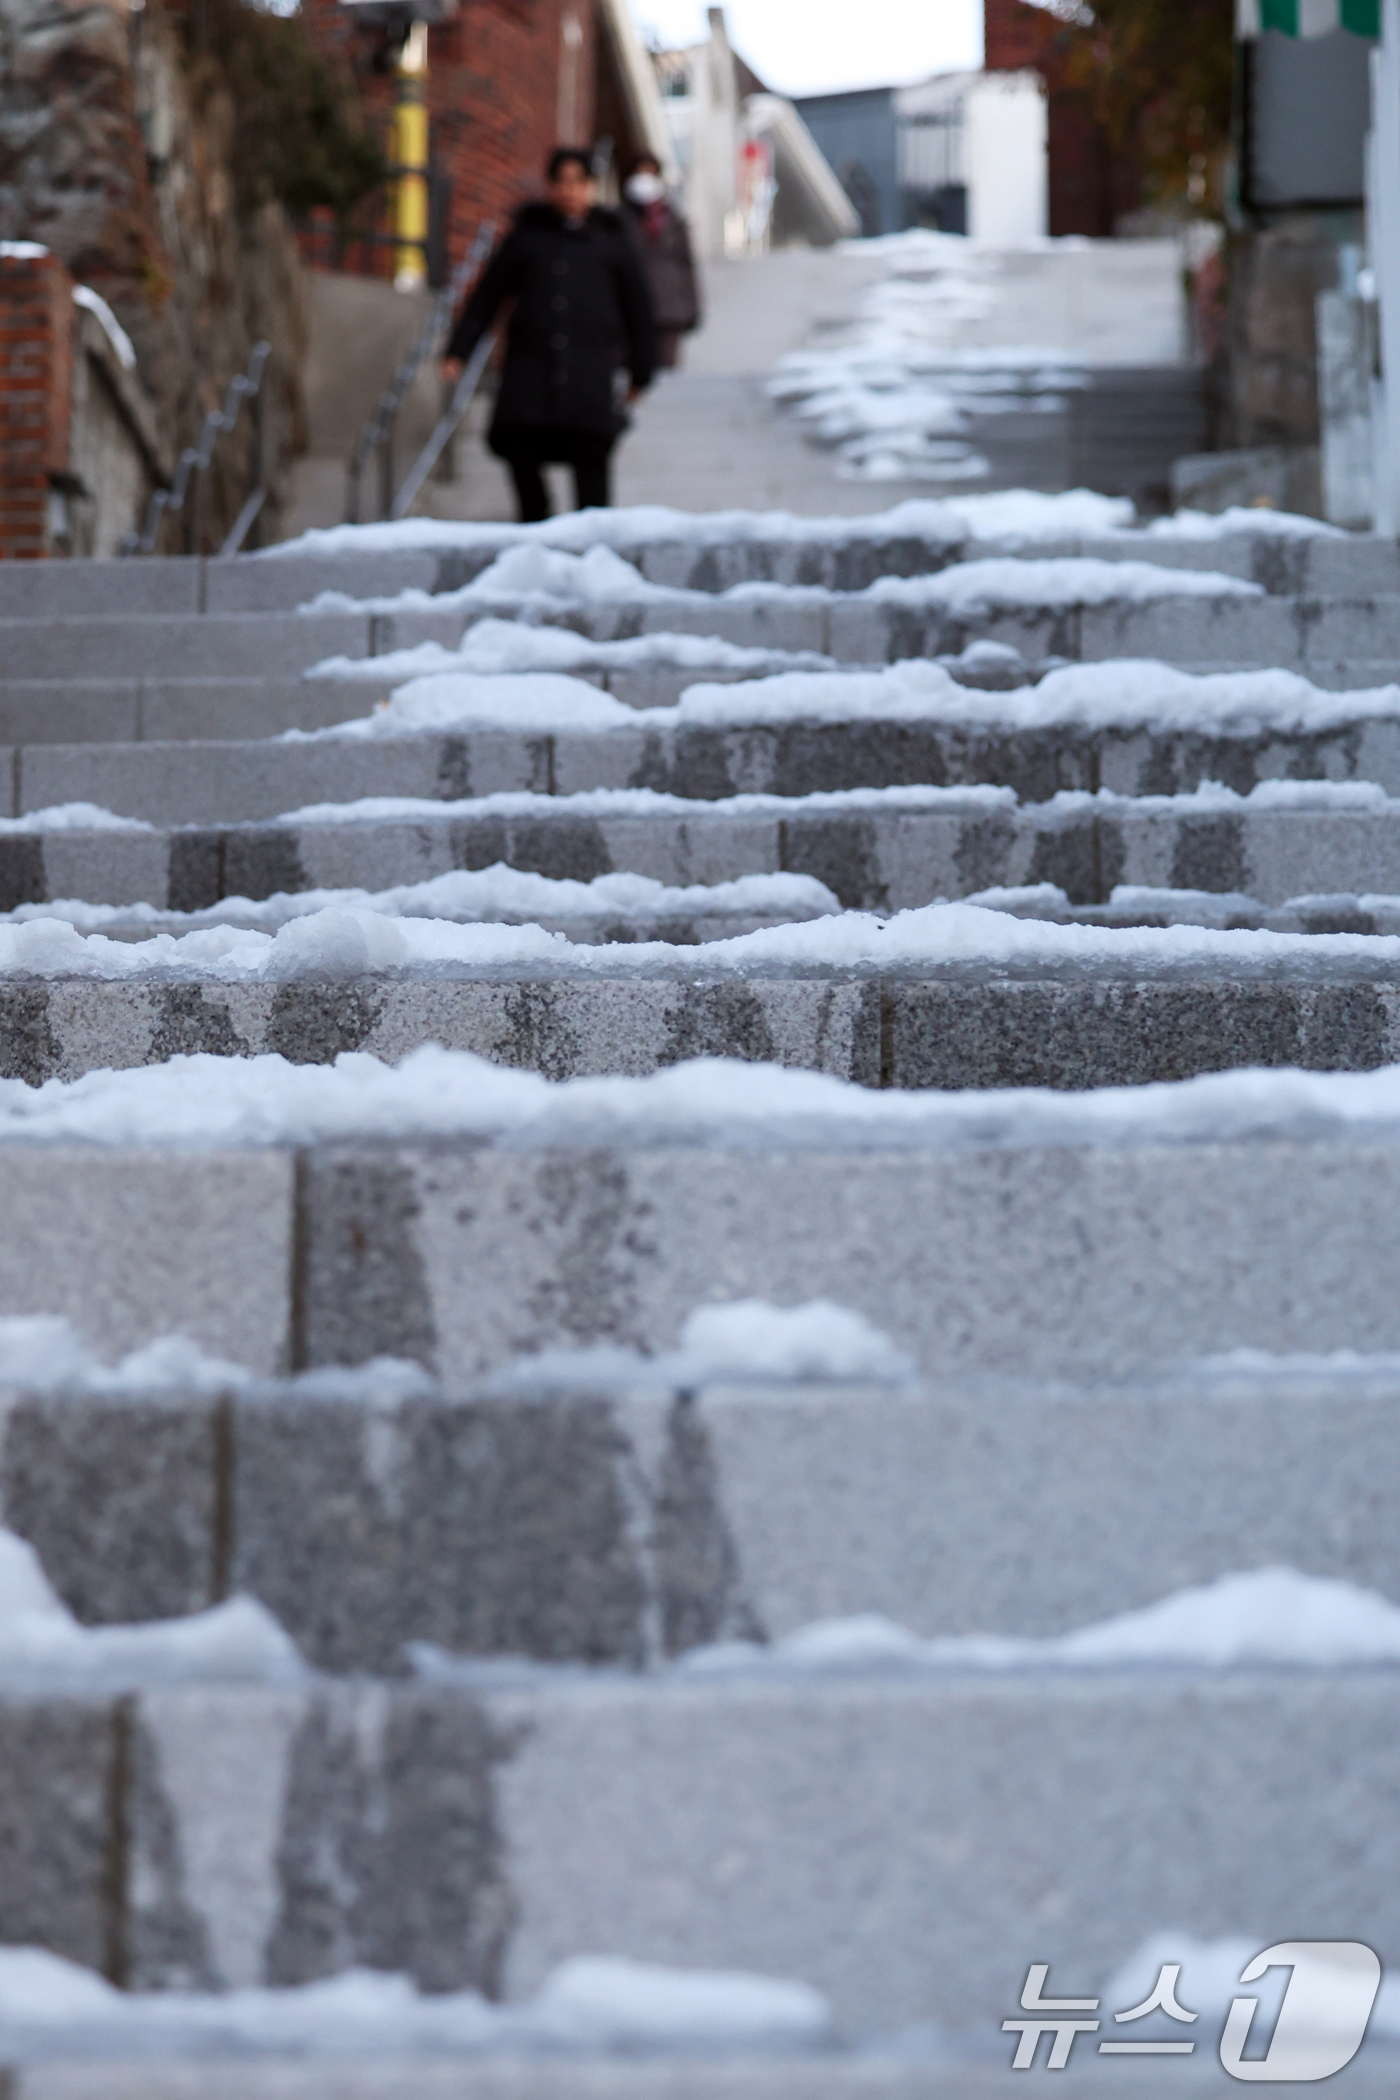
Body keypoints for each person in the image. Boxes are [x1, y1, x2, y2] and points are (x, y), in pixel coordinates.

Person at [442, 147, 656, 522]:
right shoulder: (526, 238)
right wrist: (458, 350)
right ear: (550, 185)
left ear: (591, 187)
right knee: (521, 454)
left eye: (579, 182)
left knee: (592, 482)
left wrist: (642, 371)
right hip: (530, 375)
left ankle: (593, 556)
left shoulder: (612, 242)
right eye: (562, 182)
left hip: (588, 376)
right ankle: (536, 532)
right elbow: (487, 297)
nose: (570, 191)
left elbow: (638, 308)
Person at [620, 153, 701, 370]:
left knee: (665, 371)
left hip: (669, 310)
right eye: (640, 173)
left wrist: (692, 308)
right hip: (630, 309)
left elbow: (686, 265)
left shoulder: (673, 219)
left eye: (650, 173)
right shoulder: (619, 220)